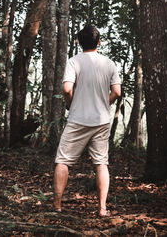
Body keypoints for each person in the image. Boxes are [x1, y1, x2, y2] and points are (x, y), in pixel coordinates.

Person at [53, 25, 121, 217]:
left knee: (63, 161)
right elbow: (117, 92)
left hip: (78, 119)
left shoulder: (74, 61)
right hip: (101, 120)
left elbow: (67, 89)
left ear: (79, 42)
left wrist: (70, 104)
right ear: (99, 42)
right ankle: (102, 208)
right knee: (101, 163)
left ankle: (57, 206)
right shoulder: (109, 63)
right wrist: (104, 104)